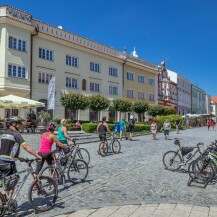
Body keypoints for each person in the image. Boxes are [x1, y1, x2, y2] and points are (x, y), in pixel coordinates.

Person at [0, 118, 42, 198]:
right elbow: (26, 146)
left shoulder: (5, 134)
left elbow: (6, 150)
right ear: (13, 124)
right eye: (19, 123)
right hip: (8, 163)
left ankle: (7, 201)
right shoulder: (16, 134)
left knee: (7, 181)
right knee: (13, 181)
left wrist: (19, 158)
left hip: (1, 161)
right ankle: (5, 201)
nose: (20, 125)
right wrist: (37, 155)